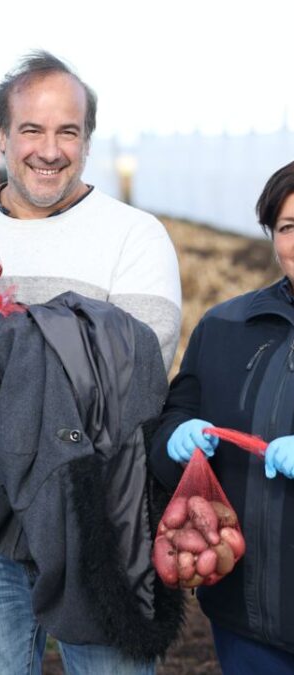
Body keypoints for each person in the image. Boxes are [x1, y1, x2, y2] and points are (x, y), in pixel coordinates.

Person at [0, 51, 183, 674]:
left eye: (67, 131)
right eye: (32, 130)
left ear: (87, 140)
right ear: (0, 136)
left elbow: (143, 367)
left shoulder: (135, 235)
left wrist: (14, 339)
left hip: (96, 506)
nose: (49, 150)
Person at [150, 160, 294, 672]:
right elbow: (175, 416)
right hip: (245, 620)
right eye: (288, 227)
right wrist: (175, 439)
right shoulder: (227, 327)